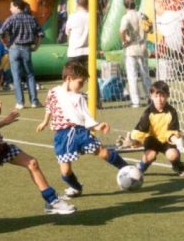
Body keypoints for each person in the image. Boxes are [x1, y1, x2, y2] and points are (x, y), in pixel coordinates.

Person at [0, 65, 75, 215]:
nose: (0, 88)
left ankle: (52, 201)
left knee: (32, 163)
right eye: (0, 84)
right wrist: (5, 121)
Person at [36, 61, 129, 200]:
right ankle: (76, 187)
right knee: (65, 171)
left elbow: (86, 117)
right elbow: (50, 107)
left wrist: (97, 126)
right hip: (62, 136)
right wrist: (45, 121)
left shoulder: (79, 97)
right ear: (68, 79)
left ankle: (127, 169)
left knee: (102, 152)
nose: (82, 87)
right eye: (80, 83)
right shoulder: (53, 92)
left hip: (80, 133)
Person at [123, 81, 184, 177]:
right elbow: (141, 132)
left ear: (167, 96)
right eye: (156, 96)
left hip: (166, 141)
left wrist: (177, 140)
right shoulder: (148, 113)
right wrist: (132, 141)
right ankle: (141, 167)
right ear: (151, 96)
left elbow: (171, 131)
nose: (159, 99)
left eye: (162, 96)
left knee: (173, 154)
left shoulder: (172, 111)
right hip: (152, 140)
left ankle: (178, 166)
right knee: (150, 155)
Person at [0, 0, 44, 109]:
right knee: (30, 75)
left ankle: (20, 102)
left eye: (11, 6)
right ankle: (34, 101)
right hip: (27, 49)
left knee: (16, 76)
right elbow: (41, 33)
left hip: (14, 48)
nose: (10, 9)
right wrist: (36, 46)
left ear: (17, 7)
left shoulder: (11, 19)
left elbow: (0, 33)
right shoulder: (31, 18)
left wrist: (5, 44)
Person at [119, 0, 152, 108]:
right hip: (142, 47)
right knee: (145, 75)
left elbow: (122, 30)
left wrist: (124, 41)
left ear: (125, 6)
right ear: (134, 4)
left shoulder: (126, 17)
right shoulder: (141, 15)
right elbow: (150, 27)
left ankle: (136, 101)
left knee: (132, 76)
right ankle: (150, 97)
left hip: (131, 48)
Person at [65, 0, 89, 67]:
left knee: (74, 74)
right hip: (87, 50)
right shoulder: (91, 16)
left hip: (74, 51)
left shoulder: (72, 17)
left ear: (77, 4)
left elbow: (67, 32)